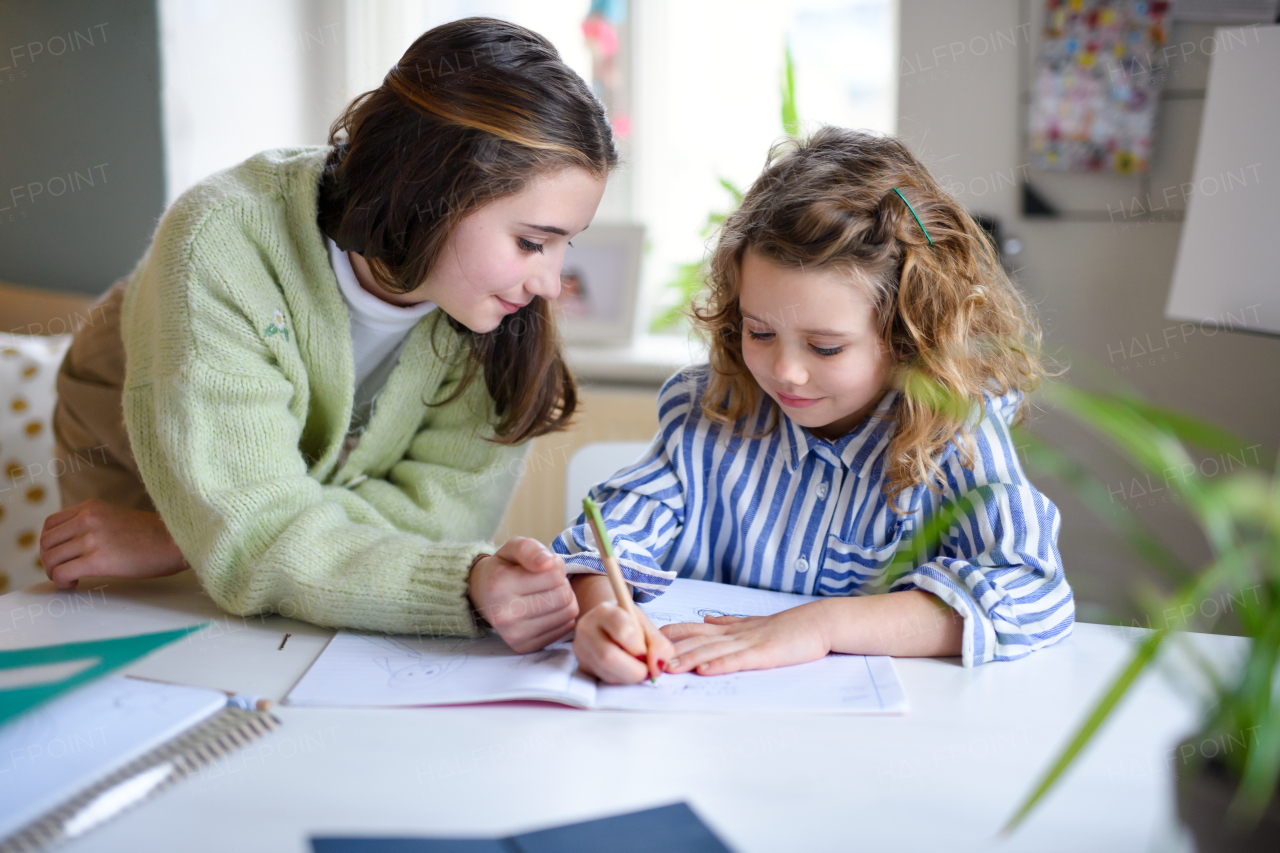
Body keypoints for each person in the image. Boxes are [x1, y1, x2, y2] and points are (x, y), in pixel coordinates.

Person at [40, 18, 616, 654]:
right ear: (431, 192)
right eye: (532, 242)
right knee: (150, 652)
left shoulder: (497, 309)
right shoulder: (223, 241)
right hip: (134, 439)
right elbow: (251, 536)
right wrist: (228, 529)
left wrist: (187, 536)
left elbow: (437, 523)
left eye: (565, 244)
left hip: (231, 513)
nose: (549, 282)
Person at [556, 127, 1075, 683]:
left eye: (826, 346)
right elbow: (600, 543)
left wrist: (821, 625)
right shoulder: (712, 407)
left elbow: (1033, 592)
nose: (785, 371)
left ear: (909, 334)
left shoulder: (955, 429)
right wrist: (601, 612)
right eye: (758, 332)